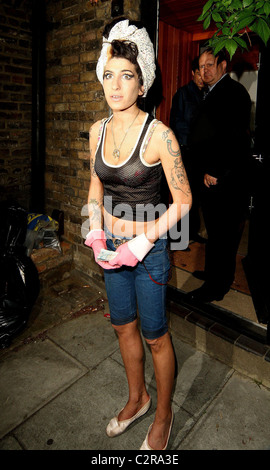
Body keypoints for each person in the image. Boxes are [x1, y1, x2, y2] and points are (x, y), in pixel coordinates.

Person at [84, 18, 191, 450]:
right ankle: (138, 399)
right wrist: (94, 231)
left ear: (141, 82)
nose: (115, 85)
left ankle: (163, 414)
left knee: (155, 336)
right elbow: (95, 187)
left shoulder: (160, 135)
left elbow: (183, 201)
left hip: (149, 252)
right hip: (110, 246)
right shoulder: (98, 130)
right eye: (108, 74)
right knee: (122, 328)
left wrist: (144, 242)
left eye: (126, 75)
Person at [188, 47, 251, 303]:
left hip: (222, 180)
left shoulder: (233, 93)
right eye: (201, 66)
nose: (205, 70)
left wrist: (215, 171)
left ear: (224, 65)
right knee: (215, 232)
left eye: (210, 64)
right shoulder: (212, 92)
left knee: (223, 235)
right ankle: (213, 274)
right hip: (210, 177)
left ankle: (217, 287)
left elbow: (234, 138)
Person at [170, 57, 205, 242]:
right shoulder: (183, 94)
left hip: (199, 154)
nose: (202, 76)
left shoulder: (205, 95)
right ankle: (179, 238)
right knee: (183, 196)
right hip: (184, 152)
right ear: (193, 73)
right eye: (199, 72)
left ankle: (192, 233)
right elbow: (174, 125)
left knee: (196, 195)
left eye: (204, 72)